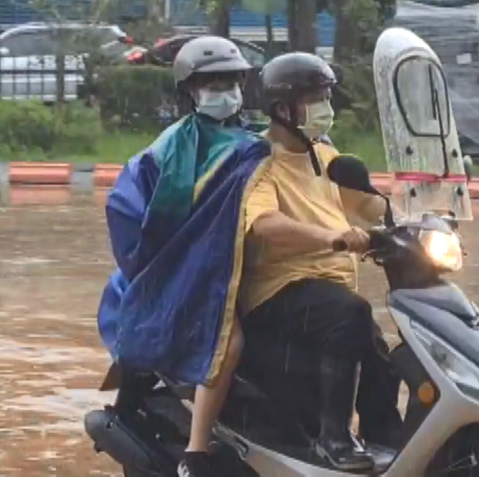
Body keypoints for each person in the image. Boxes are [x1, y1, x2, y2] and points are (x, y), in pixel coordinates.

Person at [98, 35, 258, 477]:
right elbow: (128, 213)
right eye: (211, 83)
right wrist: (167, 264)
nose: (223, 90)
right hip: (192, 276)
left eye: (229, 80)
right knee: (229, 340)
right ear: (189, 91)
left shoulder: (261, 143)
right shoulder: (169, 150)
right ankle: (196, 452)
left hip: (249, 267)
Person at [237, 52, 403, 471]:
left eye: (327, 97)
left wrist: (412, 222)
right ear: (282, 108)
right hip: (277, 291)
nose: (325, 108)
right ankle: (333, 439)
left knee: (381, 345)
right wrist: (331, 237)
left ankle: (387, 437)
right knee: (352, 313)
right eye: (316, 98)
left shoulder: (324, 158)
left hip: (323, 294)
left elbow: (367, 204)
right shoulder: (261, 162)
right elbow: (264, 224)